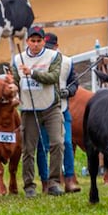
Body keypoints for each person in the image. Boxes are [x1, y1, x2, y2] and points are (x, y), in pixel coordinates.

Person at [12, 26, 65, 198]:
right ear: (27, 41)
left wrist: (33, 73)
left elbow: (53, 77)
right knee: (28, 149)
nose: (35, 44)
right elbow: (15, 80)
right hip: (28, 108)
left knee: (57, 143)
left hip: (51, 106)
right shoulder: (17, 59)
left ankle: (54, 182)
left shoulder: (54, 56)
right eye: (32, 41)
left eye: (38, 41)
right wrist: (12, 86)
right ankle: (29, 186)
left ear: (44, 41)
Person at [35, 32, 81, 193]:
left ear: (56, 46)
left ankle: (69, 179)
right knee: (43, 147)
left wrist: (68, 91)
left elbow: (74, 83)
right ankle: (46, 182)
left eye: (50, 47)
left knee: (66, 143)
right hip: (41, 110)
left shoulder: (67, 62)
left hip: (61, 109)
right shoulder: (35, 62)